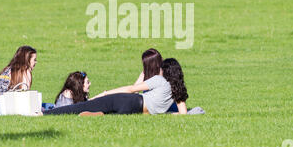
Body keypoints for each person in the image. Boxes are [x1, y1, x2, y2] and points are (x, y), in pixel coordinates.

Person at [41, 57, 188, 116]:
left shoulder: (160, 81)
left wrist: (107, 93)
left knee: (81, 107)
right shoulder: (177, 91)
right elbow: (183, 114)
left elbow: (131, 89)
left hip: (129, 101)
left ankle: (45, 114)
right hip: (135, 111)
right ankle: (97, 115)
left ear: (166, 71)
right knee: (108, 111)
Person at [0, 46, 37, 116]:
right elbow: (25, 97)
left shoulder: (8, 69)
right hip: (3, 109)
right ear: (27, 59)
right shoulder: (25, 72)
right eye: (34, 60)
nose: (36, 62)